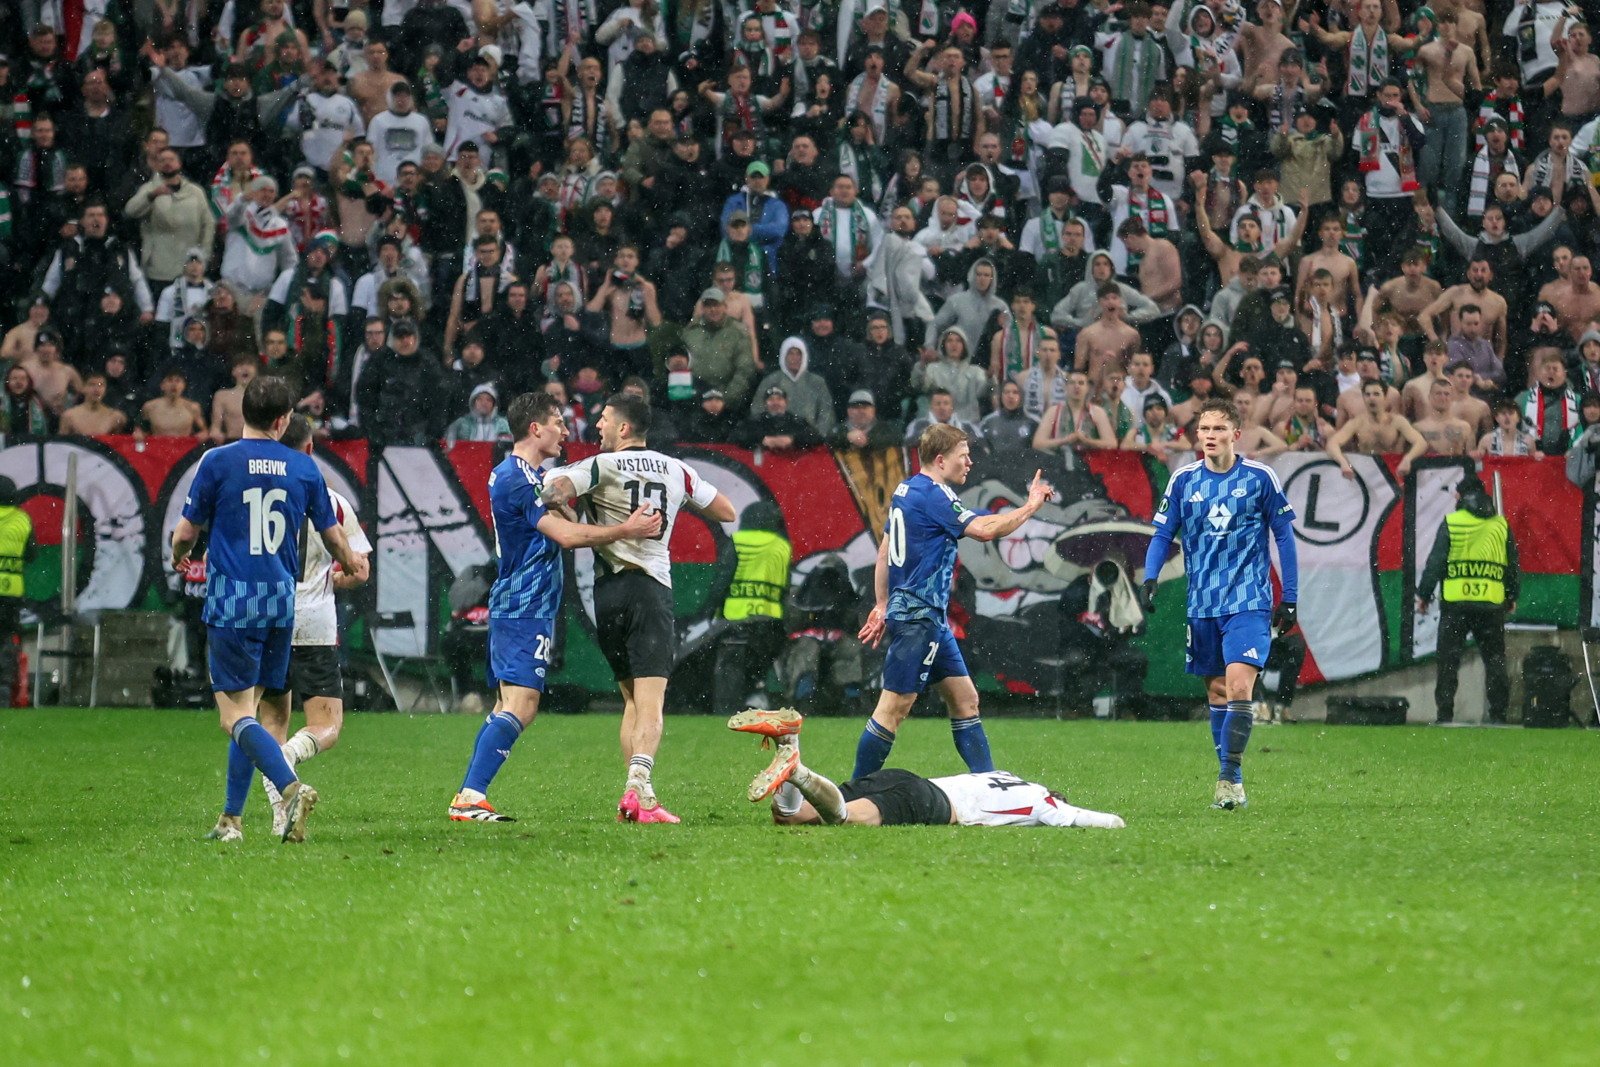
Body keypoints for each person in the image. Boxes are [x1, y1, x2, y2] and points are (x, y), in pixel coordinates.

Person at [448, 392, 665, 823]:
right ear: (535, 428)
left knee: (508, 704)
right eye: (558, 423)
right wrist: (627, 529)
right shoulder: (515, 478)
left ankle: (471, 794)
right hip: (522, 604)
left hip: (527, 604)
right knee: (521, 705)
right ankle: (469, 796)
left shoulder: (531, 476)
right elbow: (565, 536)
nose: (566, 431)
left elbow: (564, 519)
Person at [171, 376, 362, 845]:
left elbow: (186, 529)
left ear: (243, 413)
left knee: (233, 715)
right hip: (282, 605)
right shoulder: (303, 469)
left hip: (234, 602)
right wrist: (351, 561)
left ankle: (292, 787)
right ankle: (230, 821)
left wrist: (181, 553)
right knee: (256, 710)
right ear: (282, 420)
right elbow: (333, 535)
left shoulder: (217, 461)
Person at [541, 394, 736, 822]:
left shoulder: (600, 466)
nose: (598, 426)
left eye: (604, 419)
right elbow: (726, 510)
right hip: (650, 590)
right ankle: (640, 789)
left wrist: (573, 505)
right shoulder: (675, 468)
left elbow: (550, 491)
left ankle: (634, 798)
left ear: (624, 429)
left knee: (630, 698)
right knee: (651, 703)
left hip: (607, 593)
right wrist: (679, 500)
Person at [850, 424, 1056, 780]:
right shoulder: (935, 495)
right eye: (964, 455)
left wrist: (882, 604)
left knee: (965, 701)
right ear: (941, 460)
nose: (970, 462)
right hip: (918, 618)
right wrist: (1031, 505)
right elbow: (986, 530)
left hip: (929, 619)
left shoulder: (906, 489)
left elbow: (884, 550)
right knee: (892, 710)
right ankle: (851, 792)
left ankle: (991, 787)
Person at [1142, 398, 1299, 811]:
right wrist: (1150, 576)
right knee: (1215, 693)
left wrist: (1291, 598)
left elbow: (1284, 535)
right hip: (1202, 604)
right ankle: (1235, 782)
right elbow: (1162, 534)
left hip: (1249, 600)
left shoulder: (1260, 478)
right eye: (1204, 430)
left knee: (1239, 686)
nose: (1209, 437)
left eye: (1217, 429)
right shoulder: (1183, 480)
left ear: (1236, 435)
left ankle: (1227, 777)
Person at [255, 415, 373, 837]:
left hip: (267, 617)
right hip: (313, 622)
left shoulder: (257, 497)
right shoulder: (332, 501)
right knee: (327, 726)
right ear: (309, 449)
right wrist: (334, 578)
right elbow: (359, 570)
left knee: (270, 721)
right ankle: (287, 759)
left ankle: (277, 816)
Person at [726, 712, 1124, 828]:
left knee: (791, 820)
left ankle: (789, 744)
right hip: (927, 802)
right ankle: (796, 770)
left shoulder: (1004, 775)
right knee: (844, 821)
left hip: (907, 777)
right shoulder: (1043, 802)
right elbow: (1086, 819)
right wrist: (1115, 821)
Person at [1416, 473, 1519, 724]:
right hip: (1491, 604)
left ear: (1458, 496)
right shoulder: (1501, 525)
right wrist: (1511, 595)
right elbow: (1512, 565)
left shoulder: (1452, 521)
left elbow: (1437, 561)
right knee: (1495, 661)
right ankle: (1498, 716)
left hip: (1456, 603)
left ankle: (1445, 715)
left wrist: (1424, 594)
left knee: (1448, 662)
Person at [0, 478, 34, 702]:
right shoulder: (22, 519)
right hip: (11, 594)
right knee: (5, 642)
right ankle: (2, 692)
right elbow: (31, 555)